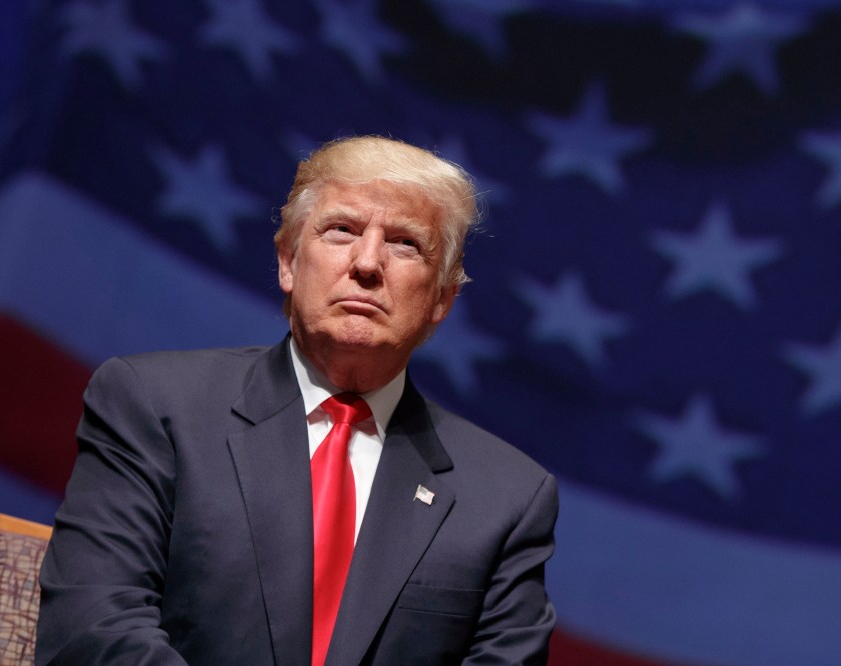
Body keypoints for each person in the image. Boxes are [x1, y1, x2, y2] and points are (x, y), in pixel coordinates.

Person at [36, 135, 558, 665]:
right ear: (288, 262)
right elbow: (93, 629)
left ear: (441, 299)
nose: (368, 262)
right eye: (342, 230)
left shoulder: (508, 499)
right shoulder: (153, 406)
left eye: (404, 243)